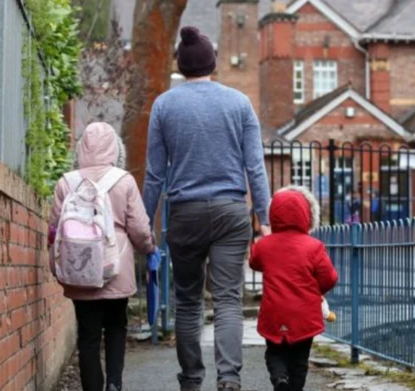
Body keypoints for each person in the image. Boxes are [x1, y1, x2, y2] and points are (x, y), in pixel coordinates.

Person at [143, 26, 271, 391]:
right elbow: (255, 166)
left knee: (187, 300)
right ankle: (229, 379)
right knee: (229, 299)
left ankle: (191, 380)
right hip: (232, 212)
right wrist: (264, 217)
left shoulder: (165, 105)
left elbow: (155, 174)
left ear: (181, 66)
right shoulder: (239, 103)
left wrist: (141, 223)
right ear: (213, 63)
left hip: (185, 214)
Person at [49, 122, 154, 391]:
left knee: (88, 335)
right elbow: (140, 228)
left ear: (81, 148)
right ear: (115, 148)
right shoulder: (124, 180)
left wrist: (56, 266)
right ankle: (115, 384)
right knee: (117, 327)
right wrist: (148, 248)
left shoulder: (66, 182)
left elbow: (53, 231)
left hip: (78, 266)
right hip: (115, 265)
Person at [249, 186, 338, 391]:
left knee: (274, 352)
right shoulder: (314, 246)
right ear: (307, 215)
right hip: (304, 315)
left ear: (273, 215)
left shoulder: (265, 245)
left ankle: (280, 378)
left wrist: (265, 239)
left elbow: (253, 262)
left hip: (274, 312)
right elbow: (330, 277)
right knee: (300, 359)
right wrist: (316, 291)